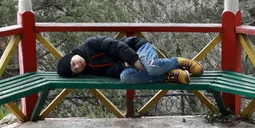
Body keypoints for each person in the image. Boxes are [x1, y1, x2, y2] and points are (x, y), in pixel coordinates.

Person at [56, 36, 203, 84]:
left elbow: (117, 45)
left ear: (71, 55)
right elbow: (111, 71)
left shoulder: (90, 44)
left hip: (138, 48)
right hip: (128, 63)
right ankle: (169, 75)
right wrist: (124, 65)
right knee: (125, 77)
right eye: (75, 70)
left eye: (73, 63)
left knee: (151, 67)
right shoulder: (91, 68)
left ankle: (179, 62)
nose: (77, 66)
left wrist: (134, 60)